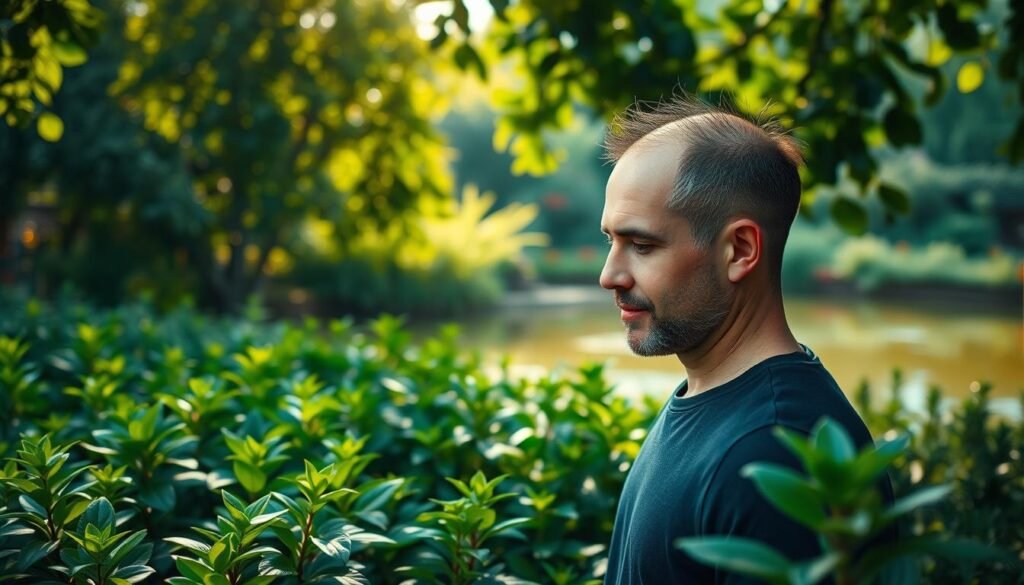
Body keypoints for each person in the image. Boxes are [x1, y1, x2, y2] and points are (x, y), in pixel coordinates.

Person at [599, 94, 891, 584]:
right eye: (612, 241)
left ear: (739, 250)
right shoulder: (713, 398)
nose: (610, 275)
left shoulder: (775, 458)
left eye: (643, 245)